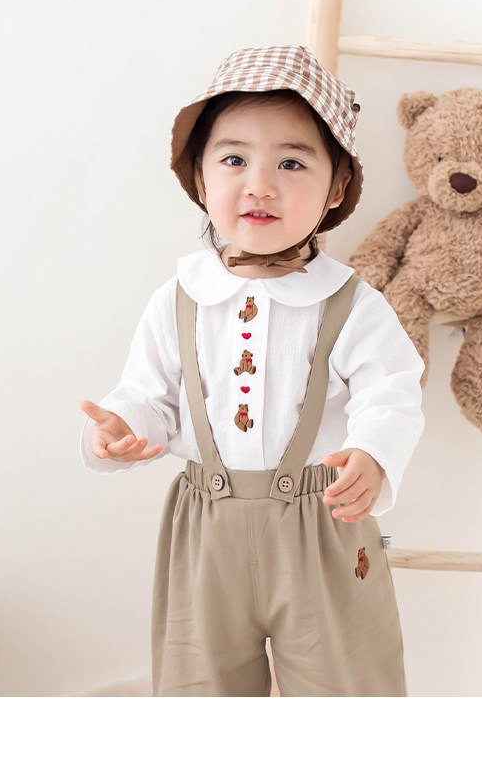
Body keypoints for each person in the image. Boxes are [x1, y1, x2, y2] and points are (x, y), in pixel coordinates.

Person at [79, 45, 425, 696]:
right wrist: (123, 426)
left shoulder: (353, 303)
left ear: (337, 187)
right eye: (234, 159)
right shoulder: (178, 299)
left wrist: (374, 453)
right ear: (200, 178)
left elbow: (392, 392)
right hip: (205, 530)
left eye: (291, 162)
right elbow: (151, 394)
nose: (259, 184)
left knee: (346, 686)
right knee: (199, 686)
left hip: (322, 527)